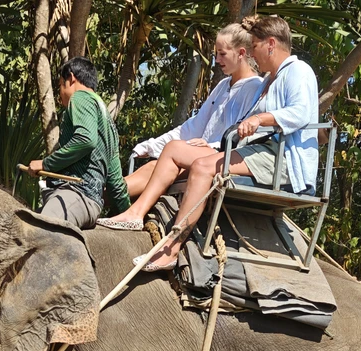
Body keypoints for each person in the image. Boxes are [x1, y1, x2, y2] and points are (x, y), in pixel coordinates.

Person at [125, 15, 319, 270]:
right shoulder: (269, 81)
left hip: (283, 159)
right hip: (260, 152)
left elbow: (301, 112)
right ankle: (133, 214)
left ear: (270, 44)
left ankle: (171, 248)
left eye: (255, 47)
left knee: (205, 167)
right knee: (187, 157)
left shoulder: (298, 70)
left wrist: (260, 119)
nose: (252, 54)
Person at [117, 24, 263, 206]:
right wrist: (153, 145)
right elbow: (194, 126)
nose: (217, 59)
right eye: (216, 54)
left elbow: (243, 135)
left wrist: (211, 145)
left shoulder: (255, 87)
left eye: (222, 54)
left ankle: (125, 206)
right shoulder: (223, 85)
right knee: (154, 165)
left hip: (223, 158)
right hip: (199, 153)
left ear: (241, 53)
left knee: (162, 163)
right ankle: (107, 195)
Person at [26, 57, 130, 229]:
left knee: (40, 232)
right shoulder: (109, 124)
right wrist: (129, 215)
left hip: (75, 194)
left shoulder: (81, 97)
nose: (60, 94)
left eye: (60, 85)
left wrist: (46, 164)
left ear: (71, 78)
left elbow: (85, 140)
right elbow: (116, 183)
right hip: (91, 205)